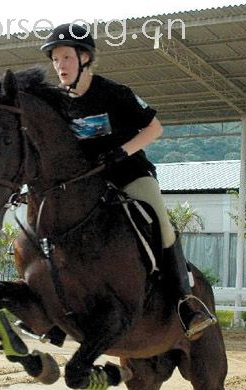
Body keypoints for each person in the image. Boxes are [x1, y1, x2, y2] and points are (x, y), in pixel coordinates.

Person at [40, 23, 217, 339]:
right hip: (87, 184)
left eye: (66, 57)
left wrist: (121, 152)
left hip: (130, 174)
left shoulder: (114, 93)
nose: (60, 66)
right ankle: (54, 309)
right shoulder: (57, 103)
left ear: (84, 58)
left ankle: (187, 303)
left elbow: (155, 129)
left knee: (160, 222)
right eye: (55, 59)